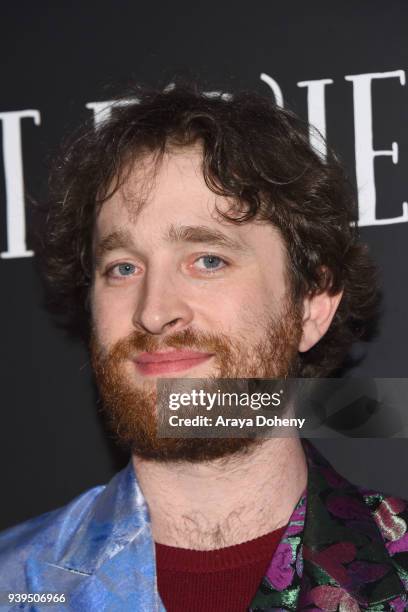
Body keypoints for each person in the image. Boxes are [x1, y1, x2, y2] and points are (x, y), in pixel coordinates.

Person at [0, 84, 407, 611]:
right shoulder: (19, 584)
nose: (154, 310)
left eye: (207, 259)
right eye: (124, 267)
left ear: (311, 306)